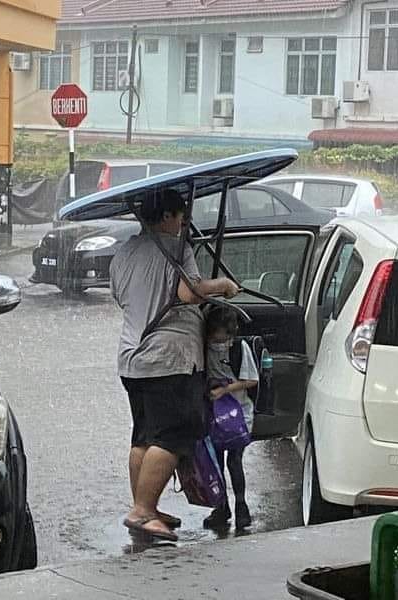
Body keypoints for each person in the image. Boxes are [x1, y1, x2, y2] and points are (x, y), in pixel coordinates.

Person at [109, 188, 239, 542]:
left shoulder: (124, 253)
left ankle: (145, 504)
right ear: (166, 215)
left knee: (144, 436)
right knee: (175, 433)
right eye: (180, 216)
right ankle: (142, 511)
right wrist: (223, 285)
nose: (184, 222)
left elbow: (121, 298)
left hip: (132, 358)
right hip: (169, 360)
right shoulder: (177, 249)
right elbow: (189, 293)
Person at [203, 306, 259, 531]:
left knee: (233, 461)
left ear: (231, 335)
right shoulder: (204, 348)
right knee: (215, 463)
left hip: (239, 412)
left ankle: (241, 506)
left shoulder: (239, 349)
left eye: (221, 339)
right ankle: (221, 506)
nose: (217, 343)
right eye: (214, 338)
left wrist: (224, 390)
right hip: (214, 414)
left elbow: (251, 380)